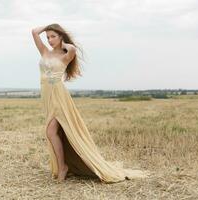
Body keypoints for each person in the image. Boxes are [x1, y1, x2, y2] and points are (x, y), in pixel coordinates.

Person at [31, 23, 149, 183]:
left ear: (60, 37)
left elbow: (71, 48)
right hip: (46, 95)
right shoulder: (45, 51)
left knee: (51, 132)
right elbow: (34, 32)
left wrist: (62, 40)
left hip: (59, 96)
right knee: (54, 133)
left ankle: (63, 167)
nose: (50, 40)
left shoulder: (67, 53)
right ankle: (63, 165)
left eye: (53, 36)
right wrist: (48, 27)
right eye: (48, 37)